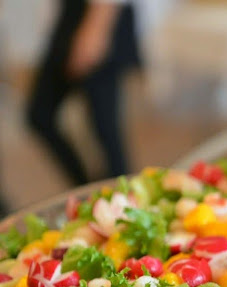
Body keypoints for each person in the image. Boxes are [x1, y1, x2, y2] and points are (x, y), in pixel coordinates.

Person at [26, 0, 141, 185]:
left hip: (94, 16)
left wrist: (97, 28)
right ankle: (89, 190)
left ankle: (123, 198)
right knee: (42, 115)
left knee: (105, 129)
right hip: (75, 16)